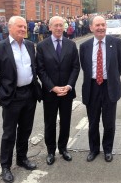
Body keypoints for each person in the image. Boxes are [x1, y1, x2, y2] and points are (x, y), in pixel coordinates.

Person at [0, 16, 41, 183]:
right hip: (12, 97)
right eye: (20, 27)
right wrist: (1, 94)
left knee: (25, 130)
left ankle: (22, 158)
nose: (23, 29)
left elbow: (34, 68)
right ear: (10, 28)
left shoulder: (30, 45)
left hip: (29, 95)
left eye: (24, 27)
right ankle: (5, 166)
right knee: (9, 134)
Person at [79, 15, 121, 163]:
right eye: (97, 25)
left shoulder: (116, 43)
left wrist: (111, 78)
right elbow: (85, 67)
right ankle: (93, 149)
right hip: (92, 87)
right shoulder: (84, 46)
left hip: (109, 86)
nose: (101, 28)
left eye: (103, 25)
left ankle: (108, 150)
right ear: (91, 28)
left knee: (109, 122)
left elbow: (120, 66)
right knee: (93, 122)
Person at [36, 15, 80, 165]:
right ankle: (50, 151)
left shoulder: (71, 44)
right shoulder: (42, 46)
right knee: (49, 122)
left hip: (67, 91)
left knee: (66, 121)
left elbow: (75, 67)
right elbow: (40, 70)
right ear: (50, 27)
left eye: (61, 25)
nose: (59, 28)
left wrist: (68, 86)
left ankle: (63, 148)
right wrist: (53, 87)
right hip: (50, 93)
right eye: (56, 25)